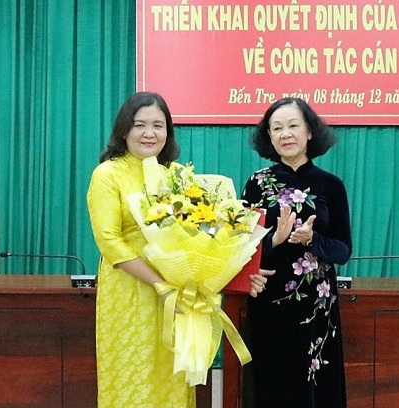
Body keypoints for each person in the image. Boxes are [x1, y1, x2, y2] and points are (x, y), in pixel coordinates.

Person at [87, 91, 269, 408]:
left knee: (170, 379)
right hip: (131, 294)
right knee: (133, 376)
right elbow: (109, 242)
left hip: (177, 295)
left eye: (158, 125)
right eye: (140, 124)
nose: (149, 133)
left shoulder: (175, 176)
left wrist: (242, 271)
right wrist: (160, 285)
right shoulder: (108, 174)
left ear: (168, 132)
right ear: (124, 130)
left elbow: (208, 236)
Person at [242, 97, 353, 408]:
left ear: (309, 133)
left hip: (317, 304)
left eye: (293, 126)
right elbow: (241, 249)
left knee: (316, 386)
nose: (285, 134)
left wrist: (311, 239)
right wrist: (274, 241)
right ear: (269, 137)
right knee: (272, 381)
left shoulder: (331, 185)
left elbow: (343, 250)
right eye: (276, 128)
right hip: (268, 298)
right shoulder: (256, 183)